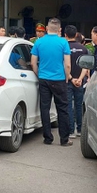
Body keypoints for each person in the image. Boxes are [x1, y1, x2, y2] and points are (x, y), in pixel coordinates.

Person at [31, 18, 73, 146]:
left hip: (44, 79)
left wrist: (39, 74)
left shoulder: (39, 42)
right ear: (59, 29)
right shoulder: (63, 42)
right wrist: (67, 76)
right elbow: (67, 64)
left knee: (45, 108)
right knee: (63, 109)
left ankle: (48, 138)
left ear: (47, 28)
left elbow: (33, 63)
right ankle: (64, 139)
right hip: (59, 79)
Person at [64, 25, 88, 138]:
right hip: (80, 81)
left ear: (65, 35)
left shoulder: (64, 47)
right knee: (79, 105)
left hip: (68, 80)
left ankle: (71, 131)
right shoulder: (83, 49)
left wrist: (71, 78)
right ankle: (79, 129)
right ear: (76, 35)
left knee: (69, 105)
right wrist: (80, 79)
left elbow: (64, 65)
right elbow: (85, 66)